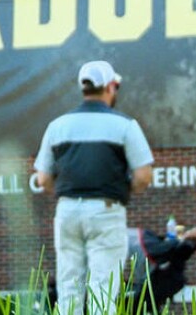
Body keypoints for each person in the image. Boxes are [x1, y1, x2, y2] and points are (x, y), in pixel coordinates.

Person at [34, 61, 154, 315]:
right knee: (104, 288)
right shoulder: (125, 125)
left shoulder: (58, 126)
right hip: (106, 210)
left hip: (67, 210)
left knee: (69, 286)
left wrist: (67, 192)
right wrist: (121, 191)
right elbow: (144, 175)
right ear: (110, 87)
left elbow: (43, 178)